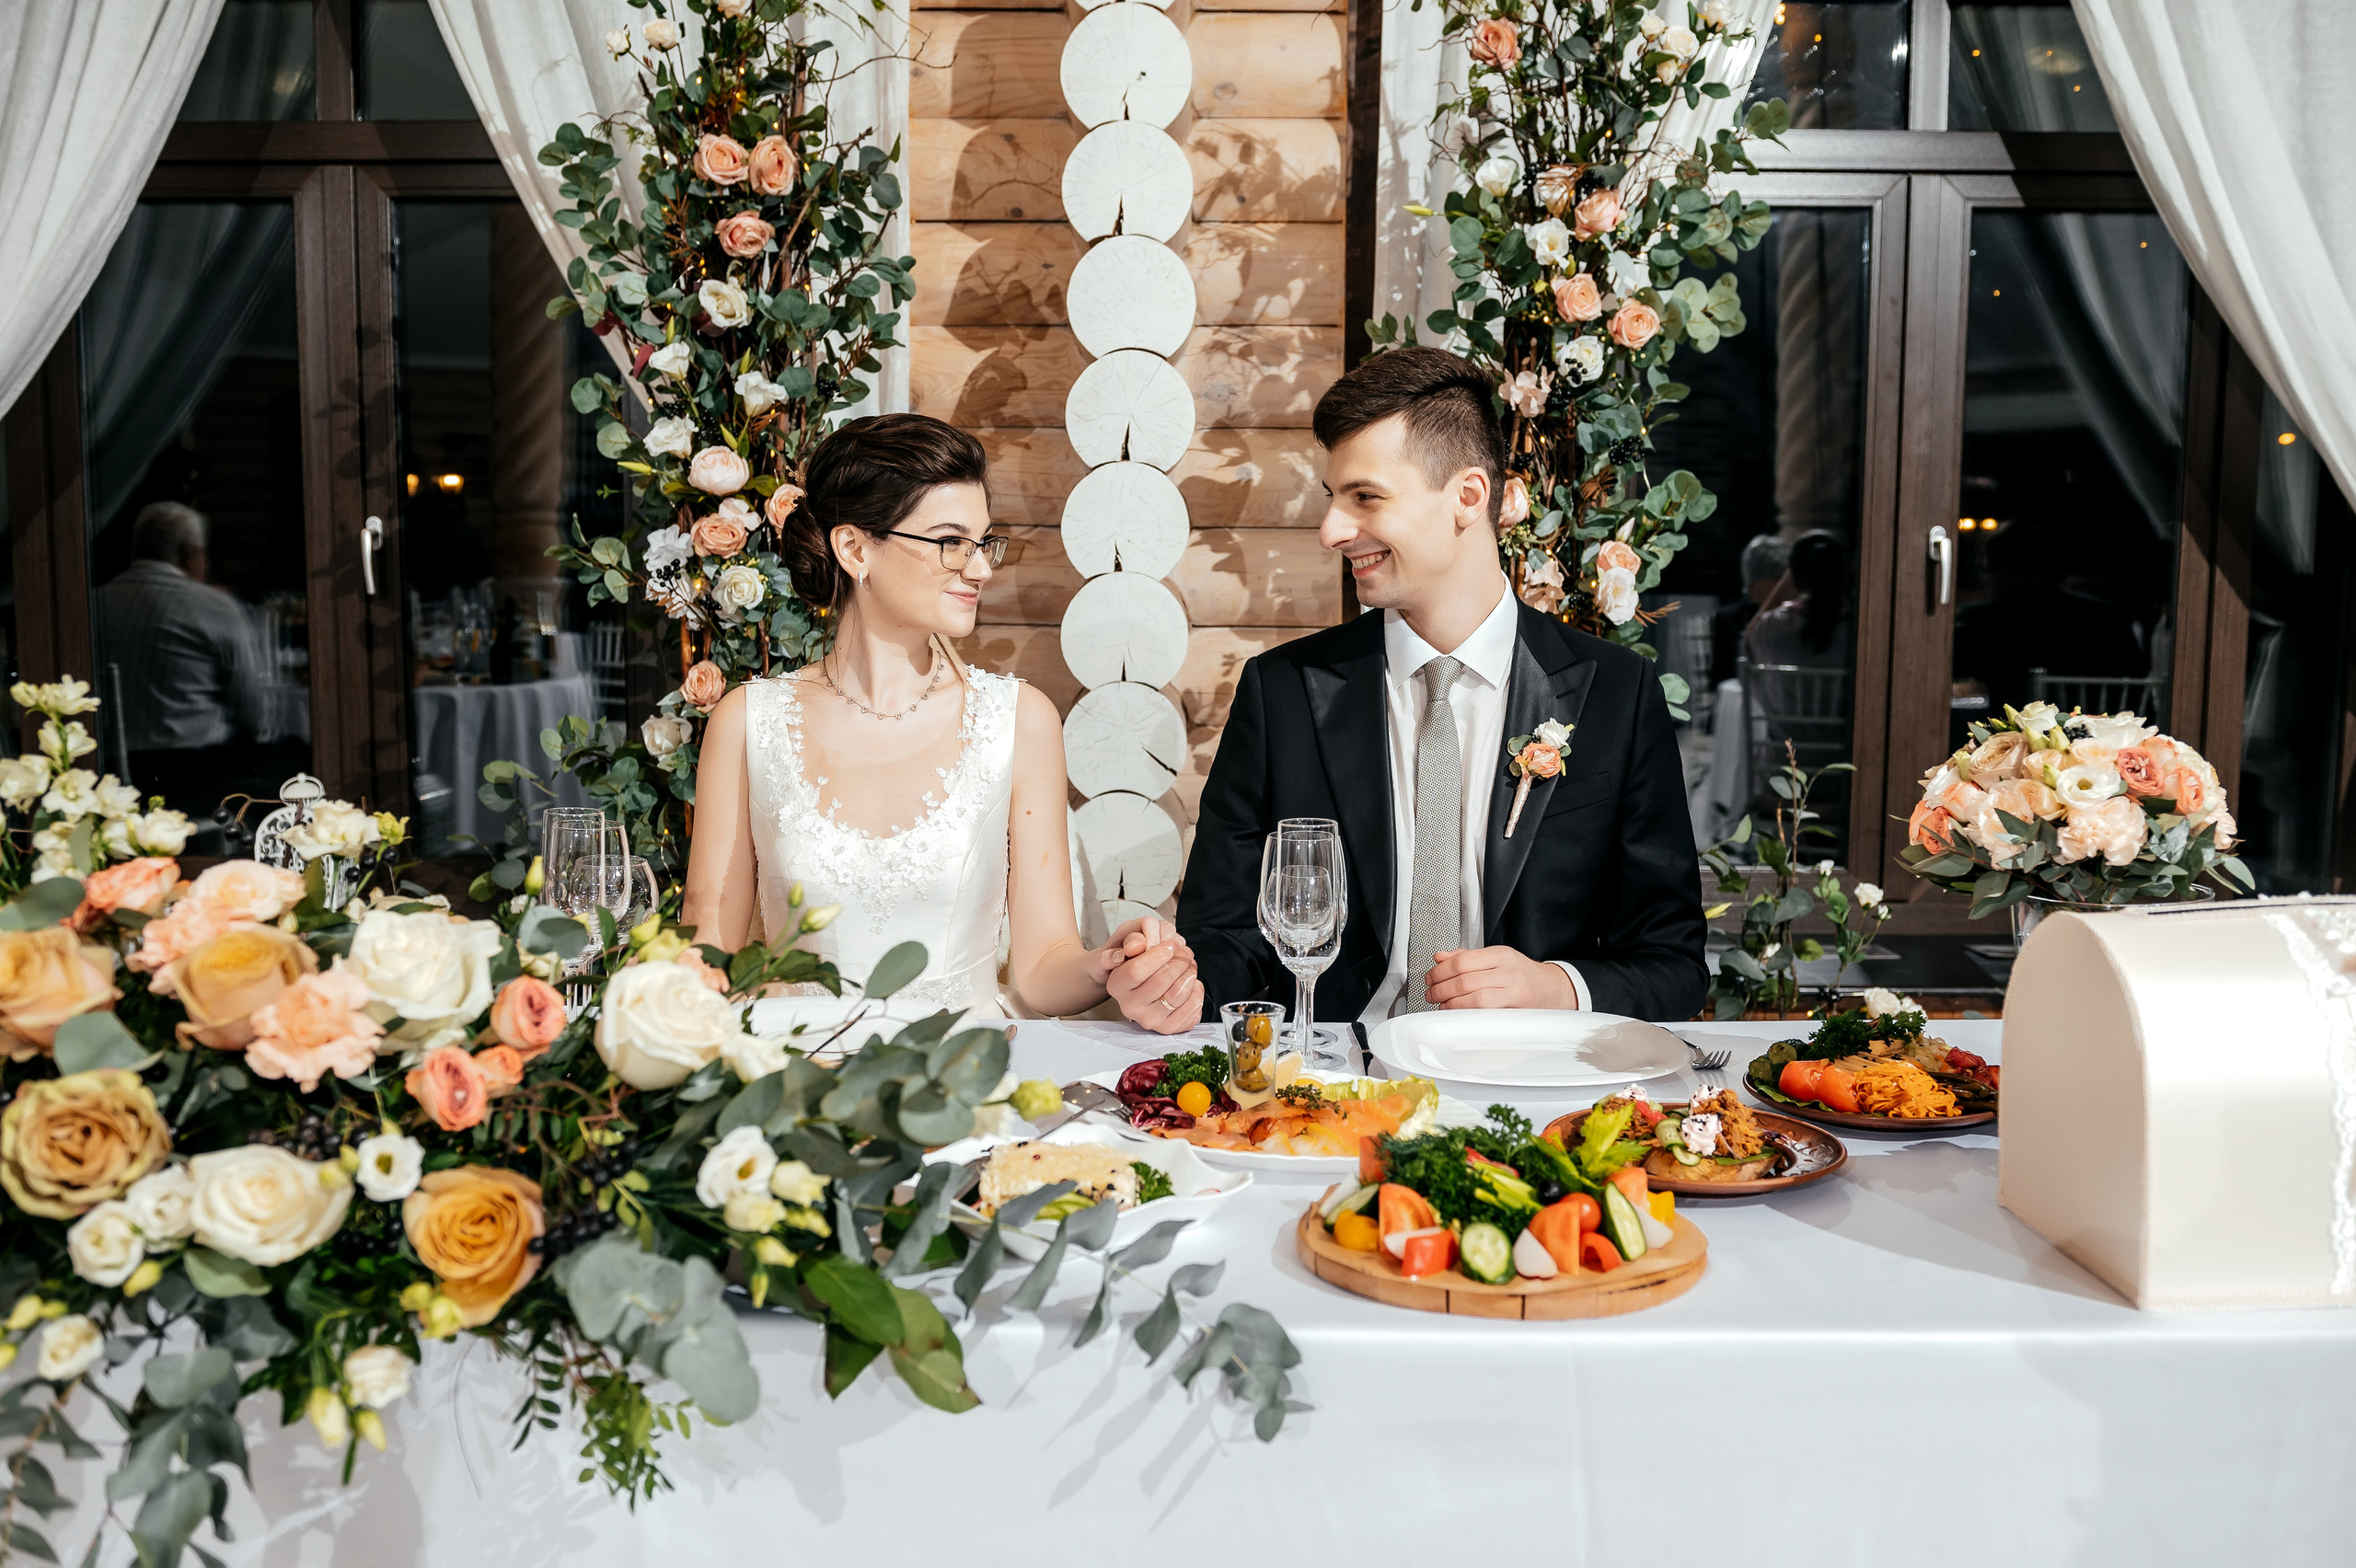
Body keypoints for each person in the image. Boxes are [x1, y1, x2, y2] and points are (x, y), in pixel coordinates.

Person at [1175, 347, 1707, 1023]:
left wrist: (1557, 989)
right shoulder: (1281, 691)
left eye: (1365, 497)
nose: (1331, 530)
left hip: (1528, 1092)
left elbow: (1673, 966)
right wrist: (1182, 985)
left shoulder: (1616, 696)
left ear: (1467, 497)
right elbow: (1223, 940)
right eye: (1333, 499)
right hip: (1331, 1086)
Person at [682, 413, 1200, 1030]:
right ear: (855, 549)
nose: (980, 568)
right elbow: (710, 955)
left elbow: (1041, 967)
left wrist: (1109, 966)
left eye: (984, 543)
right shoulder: (747, 723)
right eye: (951, 542)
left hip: (967, 1082)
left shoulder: (1018, 721)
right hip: (799, 1086)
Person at [90, 502, 272, 812]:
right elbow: (251, 710)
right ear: (190, 553)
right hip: (199, 777)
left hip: (110, 778)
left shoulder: (94, 604)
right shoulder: (215, 606)